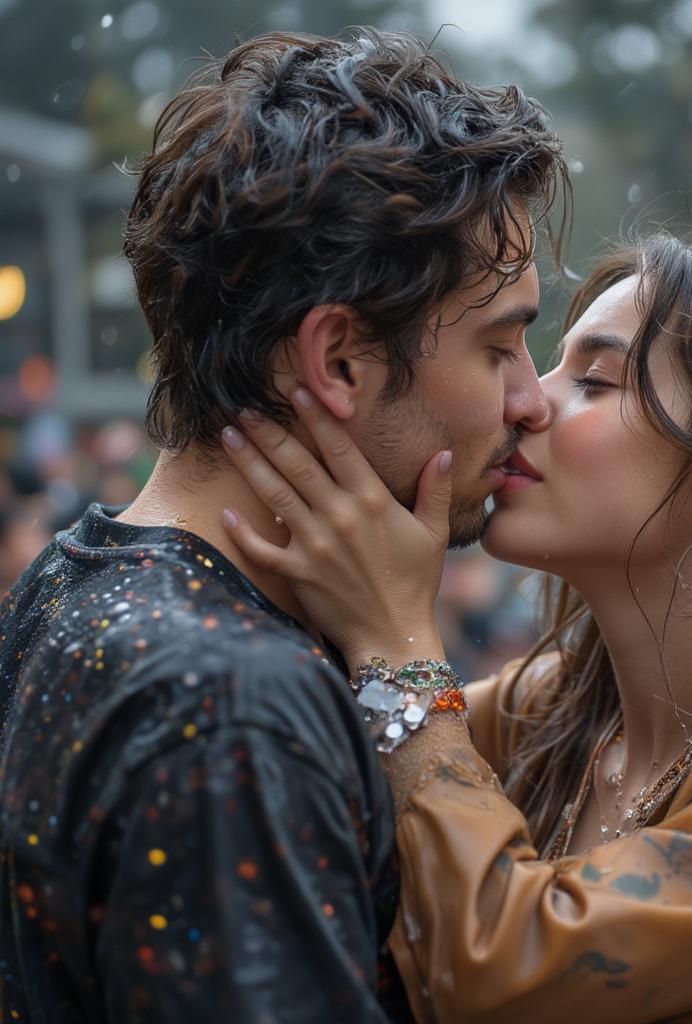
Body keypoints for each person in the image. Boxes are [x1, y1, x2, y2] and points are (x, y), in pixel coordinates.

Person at [220, 231, 692, 1023]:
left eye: (591, 380)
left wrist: (397, 646)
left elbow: (492, 969)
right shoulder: (544, 712)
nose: (528, 401)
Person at [0, 28, 566, 1022]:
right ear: (338, 361)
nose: (533, 399)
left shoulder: (74, 573)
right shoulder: (233, 708)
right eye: (501, 345)